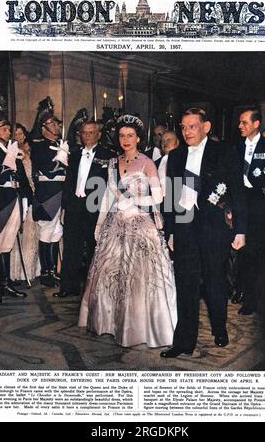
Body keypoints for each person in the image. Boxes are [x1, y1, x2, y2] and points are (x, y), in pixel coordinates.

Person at [79, 114, 177, 348]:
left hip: (140, 223)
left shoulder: (147, 163)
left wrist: (133, 201)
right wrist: (99, 223)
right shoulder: (113, 163)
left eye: (130, 136)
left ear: (139, 139)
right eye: (122, 135)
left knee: (138, 279)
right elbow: (106, 197)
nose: (125, 139)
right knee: (110, 274)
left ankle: (139, 327)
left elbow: (159, 196)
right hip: (114, 225)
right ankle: (111, 323)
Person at [160, 108, 247, 358]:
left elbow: (238, 192)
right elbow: (172, 197)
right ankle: (184, 342)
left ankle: (219, 329)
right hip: (185, 228)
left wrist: (240, 230)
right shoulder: (175, 157)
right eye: (184, 127)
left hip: (214, 228)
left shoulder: (224, 152)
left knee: (214, 283)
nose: (187, 132)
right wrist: (171, 232)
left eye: (193, 127)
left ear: (206, 127)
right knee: (185, 284)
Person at [53, 119, 114, 298]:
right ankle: (68, 287)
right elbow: (68, 182)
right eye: (84, 133)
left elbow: (111, 184)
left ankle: (93, 289)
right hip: (75, 206)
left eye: (91, 132)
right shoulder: (74, 154)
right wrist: (66, 206)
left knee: (94, 247)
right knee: (72, 246)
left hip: (95, 207)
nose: (87, 136)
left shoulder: (108, 155)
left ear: (99, 135)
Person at [236, 108, 265, 315]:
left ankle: (260, 299)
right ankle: (246, 295)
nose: (240, 126)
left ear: (256, 124)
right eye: (240, 123)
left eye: (244, 123)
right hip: (241, 203)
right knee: (243, 254)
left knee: (258, 254)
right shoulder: (236, 147)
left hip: (261, 205)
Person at [0, 103, 32, 303]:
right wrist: (10, 156)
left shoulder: (12, 149)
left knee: (7, 243)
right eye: (3, 129)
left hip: (14, 198)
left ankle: (5, 283)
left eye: (8, 129)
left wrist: (27, 196)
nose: (8, 132)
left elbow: (21, 176)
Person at [30, 97, 68, 288]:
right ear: (43, 127)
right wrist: (61, 156)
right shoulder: (38, 146)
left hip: (61, 190)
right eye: (52, 123)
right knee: (47, 230)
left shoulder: (62, 143)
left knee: (56, 231)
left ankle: (52, 270)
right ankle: (46, 272)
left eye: (56, 122)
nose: (56, 125)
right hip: (47, 192)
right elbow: (48, 168)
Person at [10, 123, 40, 283]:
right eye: (15, 134)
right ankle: (17, 272)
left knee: (31, 234)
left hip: (34, 193)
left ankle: (30, 270)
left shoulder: (32, 151)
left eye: (21, 134)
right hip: (21, 194)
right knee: (20, 235)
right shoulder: (13, 153)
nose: (18, 137)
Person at [156, 130, 180, 197]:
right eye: (163, 141)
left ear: (177, 142)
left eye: (168, 140)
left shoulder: (184, 160)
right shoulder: (155, 164)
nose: (165, 143)